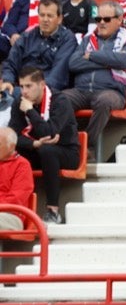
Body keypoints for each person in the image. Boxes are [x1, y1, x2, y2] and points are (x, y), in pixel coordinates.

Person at [60, 0, 126, 157]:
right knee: (60, 99)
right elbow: (73, 63)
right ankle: (71, 141)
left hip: (111, 91)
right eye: (98, 19)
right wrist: (109, 62)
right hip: (81, 90)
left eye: (106, 19)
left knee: (104, 101)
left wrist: (92, 56)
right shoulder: (88, 40)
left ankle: (88, 146)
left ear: (119, 20)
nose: (101, 23)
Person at [10, 65, 79, 224]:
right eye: (21, 86)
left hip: (66, 152)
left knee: (48, 150)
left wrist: (30, 112)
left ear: (41, 85)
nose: (24, 91)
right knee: (7, 149)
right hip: (36, 149)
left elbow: (49, 132)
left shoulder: (60, 100)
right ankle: (11, 208)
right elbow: (14, 136)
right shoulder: (19, 102)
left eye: (29, 86)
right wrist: (34, 143)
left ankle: (52, 211)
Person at [3, 0, 75, 93]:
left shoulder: (68, 39)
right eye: (42, 15)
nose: (45, 20)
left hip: (48, 91)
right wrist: (8, 81)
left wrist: (37, 90)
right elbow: (10, 64)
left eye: (50, 16)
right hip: (21, 87)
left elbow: (58, 75)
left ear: (59, 19)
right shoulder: (26, 37)